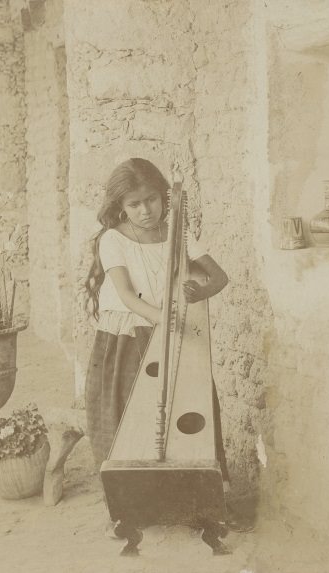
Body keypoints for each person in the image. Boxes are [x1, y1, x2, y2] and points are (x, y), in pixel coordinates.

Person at [82, 157, 231, 517]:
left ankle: (190, 497)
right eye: (134, 204)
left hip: (172, 330)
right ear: (120, 207)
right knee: (128, 416)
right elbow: (130, 297)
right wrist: (163, 320)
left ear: (165, 198)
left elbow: (219, 278)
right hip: (130, 334)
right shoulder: (113, 240)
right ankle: (128, 504)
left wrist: (199, 294)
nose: (145, 210)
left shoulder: (178, 234)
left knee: (189, 409)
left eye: (151, 199)